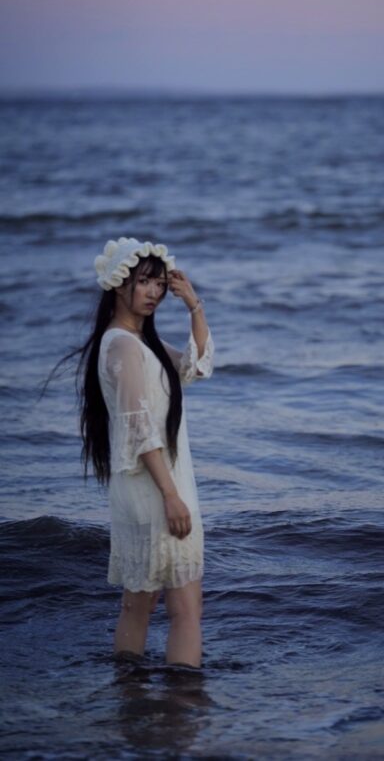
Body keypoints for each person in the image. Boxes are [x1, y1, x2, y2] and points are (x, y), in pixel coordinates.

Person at [76, 237, 214, 668]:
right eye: (144, 282)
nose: (154, 292)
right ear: (120, 284)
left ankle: (128, 689)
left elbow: (195, 367)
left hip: (146, 488)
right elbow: (140, 428)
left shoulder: (139, 342)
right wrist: (171, 496)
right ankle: (183, 700)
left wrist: (194, 306)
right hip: (157, 490)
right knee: (185, 610)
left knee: (140, 605)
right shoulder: (122, 345)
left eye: (159, 284)